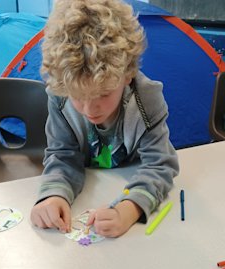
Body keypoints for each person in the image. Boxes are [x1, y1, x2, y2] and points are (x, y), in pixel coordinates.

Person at [30, 0, 179, 238]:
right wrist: (54, 195)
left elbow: (160, 165)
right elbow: (62, 155)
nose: (90, 109)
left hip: (126, 187)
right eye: (78, 96)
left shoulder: (147, 99)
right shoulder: (59, 96)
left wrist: (129, 209)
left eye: (103, 94)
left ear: (128, 74)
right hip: (86, 195)